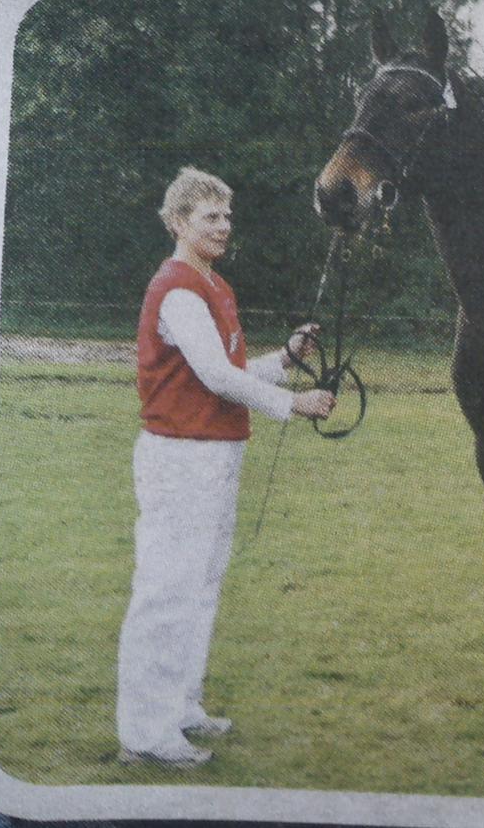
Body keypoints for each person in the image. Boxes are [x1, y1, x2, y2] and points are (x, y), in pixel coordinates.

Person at [117, 167, 336, 768]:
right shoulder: (180, 289)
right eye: (210, 216)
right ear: (178, 222)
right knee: (167, 590)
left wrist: (286, 359)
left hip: (215, 453)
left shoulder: (215, 286)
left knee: (201, 586)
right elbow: (216, 377)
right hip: (180, 456)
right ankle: (145, 731)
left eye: (226, 216)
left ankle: (181, 706)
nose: (223, 226)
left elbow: (229, 372)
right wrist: (295, 403)